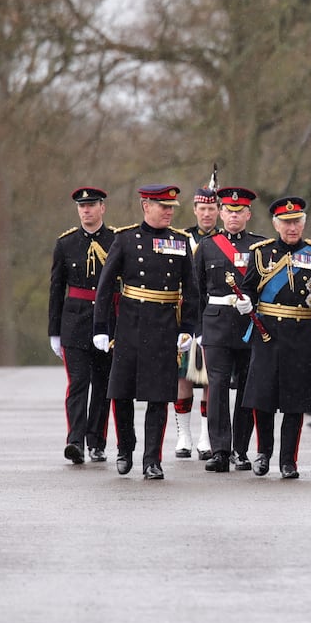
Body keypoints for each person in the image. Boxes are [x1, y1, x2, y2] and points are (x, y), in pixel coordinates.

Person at [92, 184, 200, 480]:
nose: (168, 212)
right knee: (121, 393)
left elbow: (192, 291)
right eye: (163, 206)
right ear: (145, 206)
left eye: (171, 208)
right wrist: (101, 327)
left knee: (159, 397)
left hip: (164, 327)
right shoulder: (125, 239)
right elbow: (105, 287)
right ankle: (125, 448)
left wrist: (188, 328)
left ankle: (152, 459)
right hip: (130, 325)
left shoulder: (179, 241)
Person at [240, 196, 311, 479]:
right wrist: (244, 301)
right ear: (276, 224)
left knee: (295, 402)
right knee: (263, 398)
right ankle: (263, 453)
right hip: (268, 334)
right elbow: (249, 288)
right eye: (286, 223)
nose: (292, 227)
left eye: (296, 222)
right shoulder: (261, 253)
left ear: (303, 224)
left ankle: (288, 460)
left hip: (302, 335)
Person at [189, 185, 261, 472]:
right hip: (216, 323)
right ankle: (220, 450)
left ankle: (240, 450)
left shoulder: (259, 247)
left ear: (248, 215)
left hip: (248, 324)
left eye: (239, 212)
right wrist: (197, 328)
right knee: (217, 386)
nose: (233, 216)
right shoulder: (207, 246)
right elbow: (195, 291)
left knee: (246, 387)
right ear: (221, 213)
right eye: (229, 211)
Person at [48, 186, 115, 464]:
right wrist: (54, 331)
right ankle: (75, 441)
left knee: (102, 385)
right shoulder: (65, 244)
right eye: (81, 206)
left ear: (102, 208)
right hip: (74, 322)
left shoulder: (116, 241)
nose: (86, 210)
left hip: (107, 322)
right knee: (78, 383)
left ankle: (96, 442)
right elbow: (56, 289)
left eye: (91, 205)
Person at [174, 186, 220, 458]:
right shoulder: (182, 239)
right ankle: (184, 435)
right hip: (185, 315)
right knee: (183, 377)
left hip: (213, 316)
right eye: (202, 209)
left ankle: (206, 435)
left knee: (210, 378)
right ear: (194, 210)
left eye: (212, 208)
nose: (207, 214)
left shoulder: (224, 240)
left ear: (218, 211)